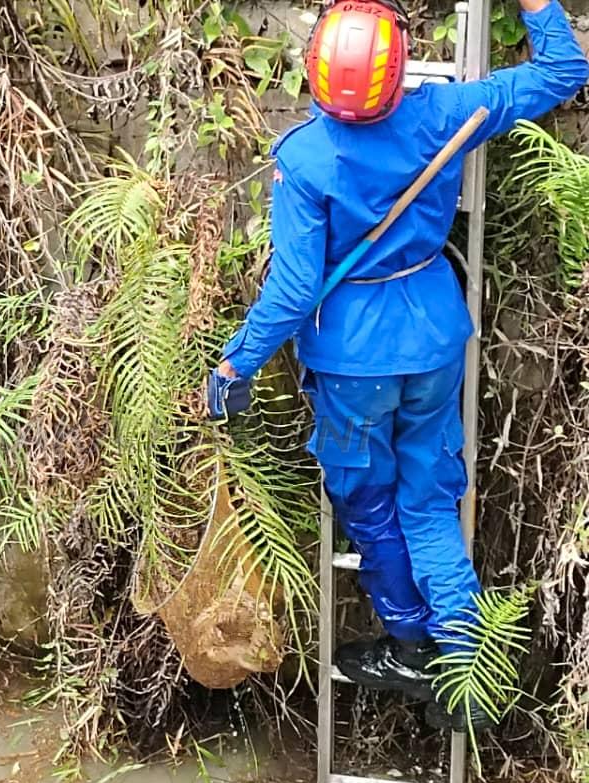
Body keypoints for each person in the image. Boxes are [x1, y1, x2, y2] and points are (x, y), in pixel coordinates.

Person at [210, 0, 588, 731]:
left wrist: (237, 366)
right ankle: (467, 663)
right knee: (427, 502)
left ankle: (413, 639)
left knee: (372, 504)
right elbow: (563, 70)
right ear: (397, 70)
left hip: (355, 360)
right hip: (434, 338)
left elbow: (291, 289)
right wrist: (538, 4)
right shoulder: (441, 112)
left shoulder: (307, 157)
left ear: (317, 78)